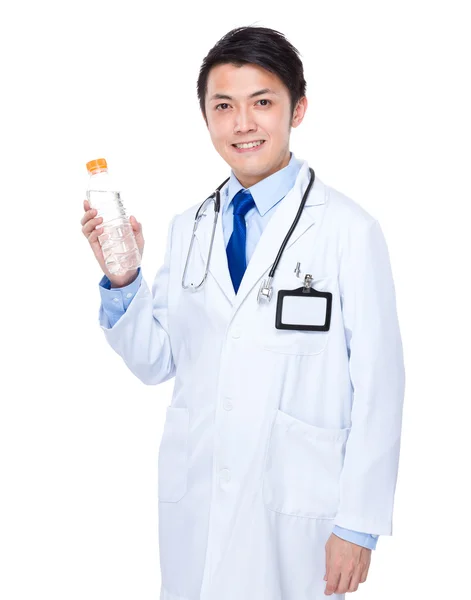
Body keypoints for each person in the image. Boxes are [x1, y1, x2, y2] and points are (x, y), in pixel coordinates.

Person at [81, 25, 405, 600]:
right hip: (199, 501)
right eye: (223, 106)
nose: (243, 123)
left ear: (297, 110)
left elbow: (380, 385)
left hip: (299, 512)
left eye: (262, 103)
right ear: (205, 116)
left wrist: (357, 524)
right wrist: (122, 278)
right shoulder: (189, 229)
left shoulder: (349, 232)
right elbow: (159, 361)